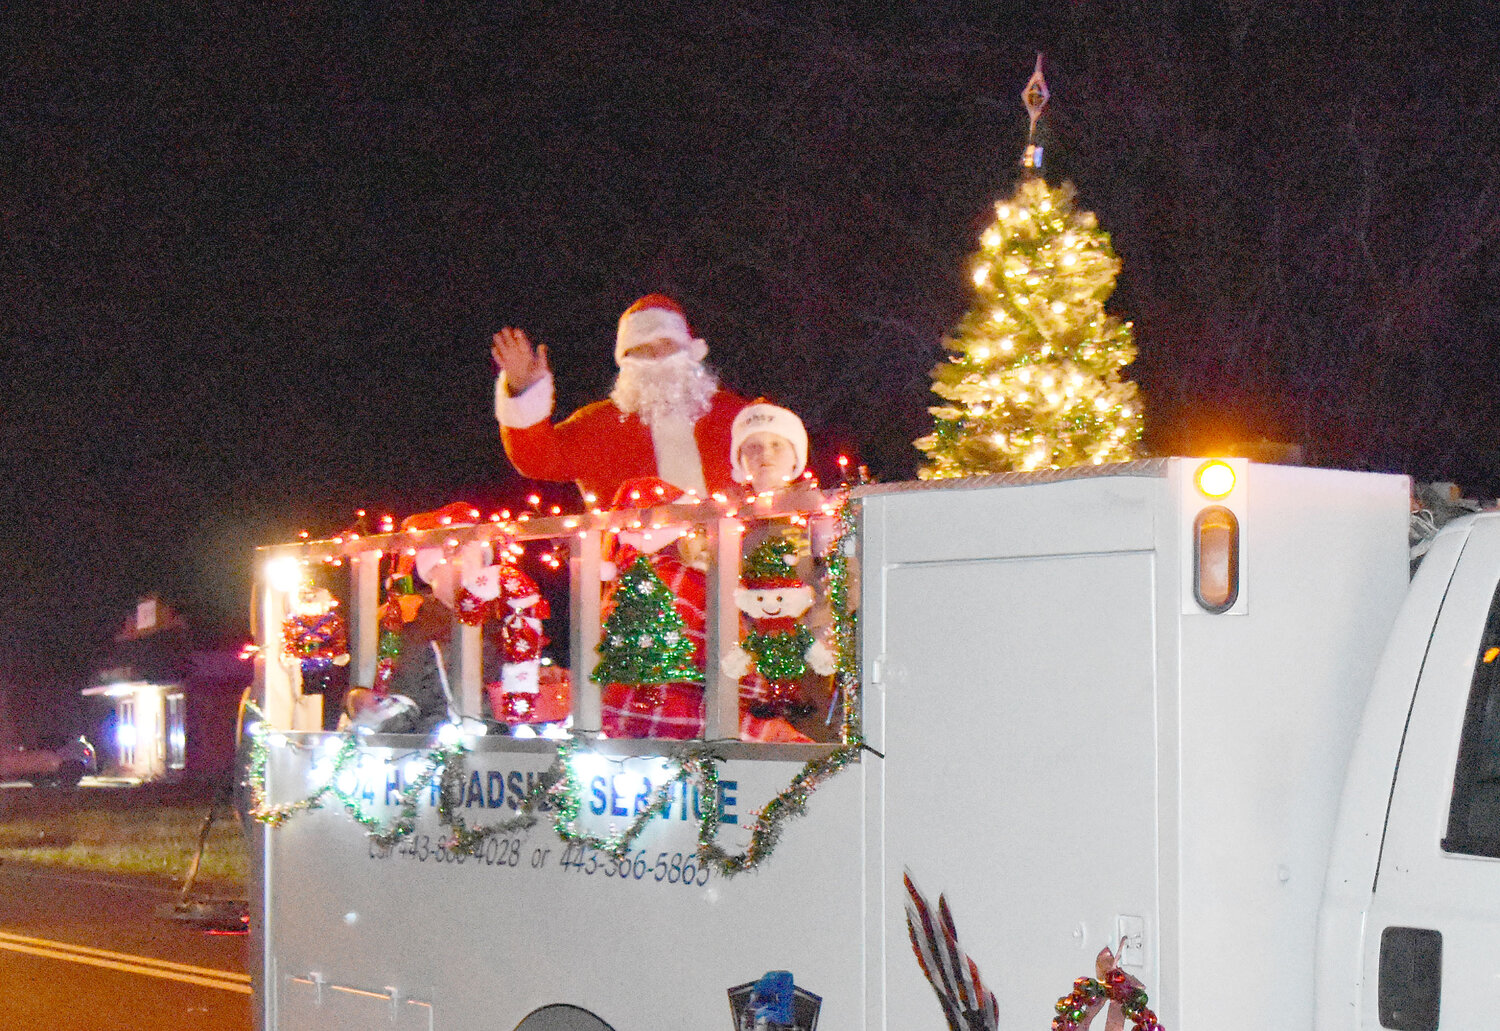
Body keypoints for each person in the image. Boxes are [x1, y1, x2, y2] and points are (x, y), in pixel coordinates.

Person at [492, 295, 751, 505]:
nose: (657, 356)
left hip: (733, 562)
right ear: (626, 361)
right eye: (643, 349)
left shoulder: (736, 416)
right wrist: (524, 390)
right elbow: (536, 459)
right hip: (627, 566)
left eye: (667, 345)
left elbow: (787, 464)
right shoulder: (597, 425)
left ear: (690, 351)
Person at [730, 402, 809, 495]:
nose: (765, 453)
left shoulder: (823, 506)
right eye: (754, 446)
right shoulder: (722, 509)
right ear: (739, 458)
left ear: (796, 456)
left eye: (776, 445)